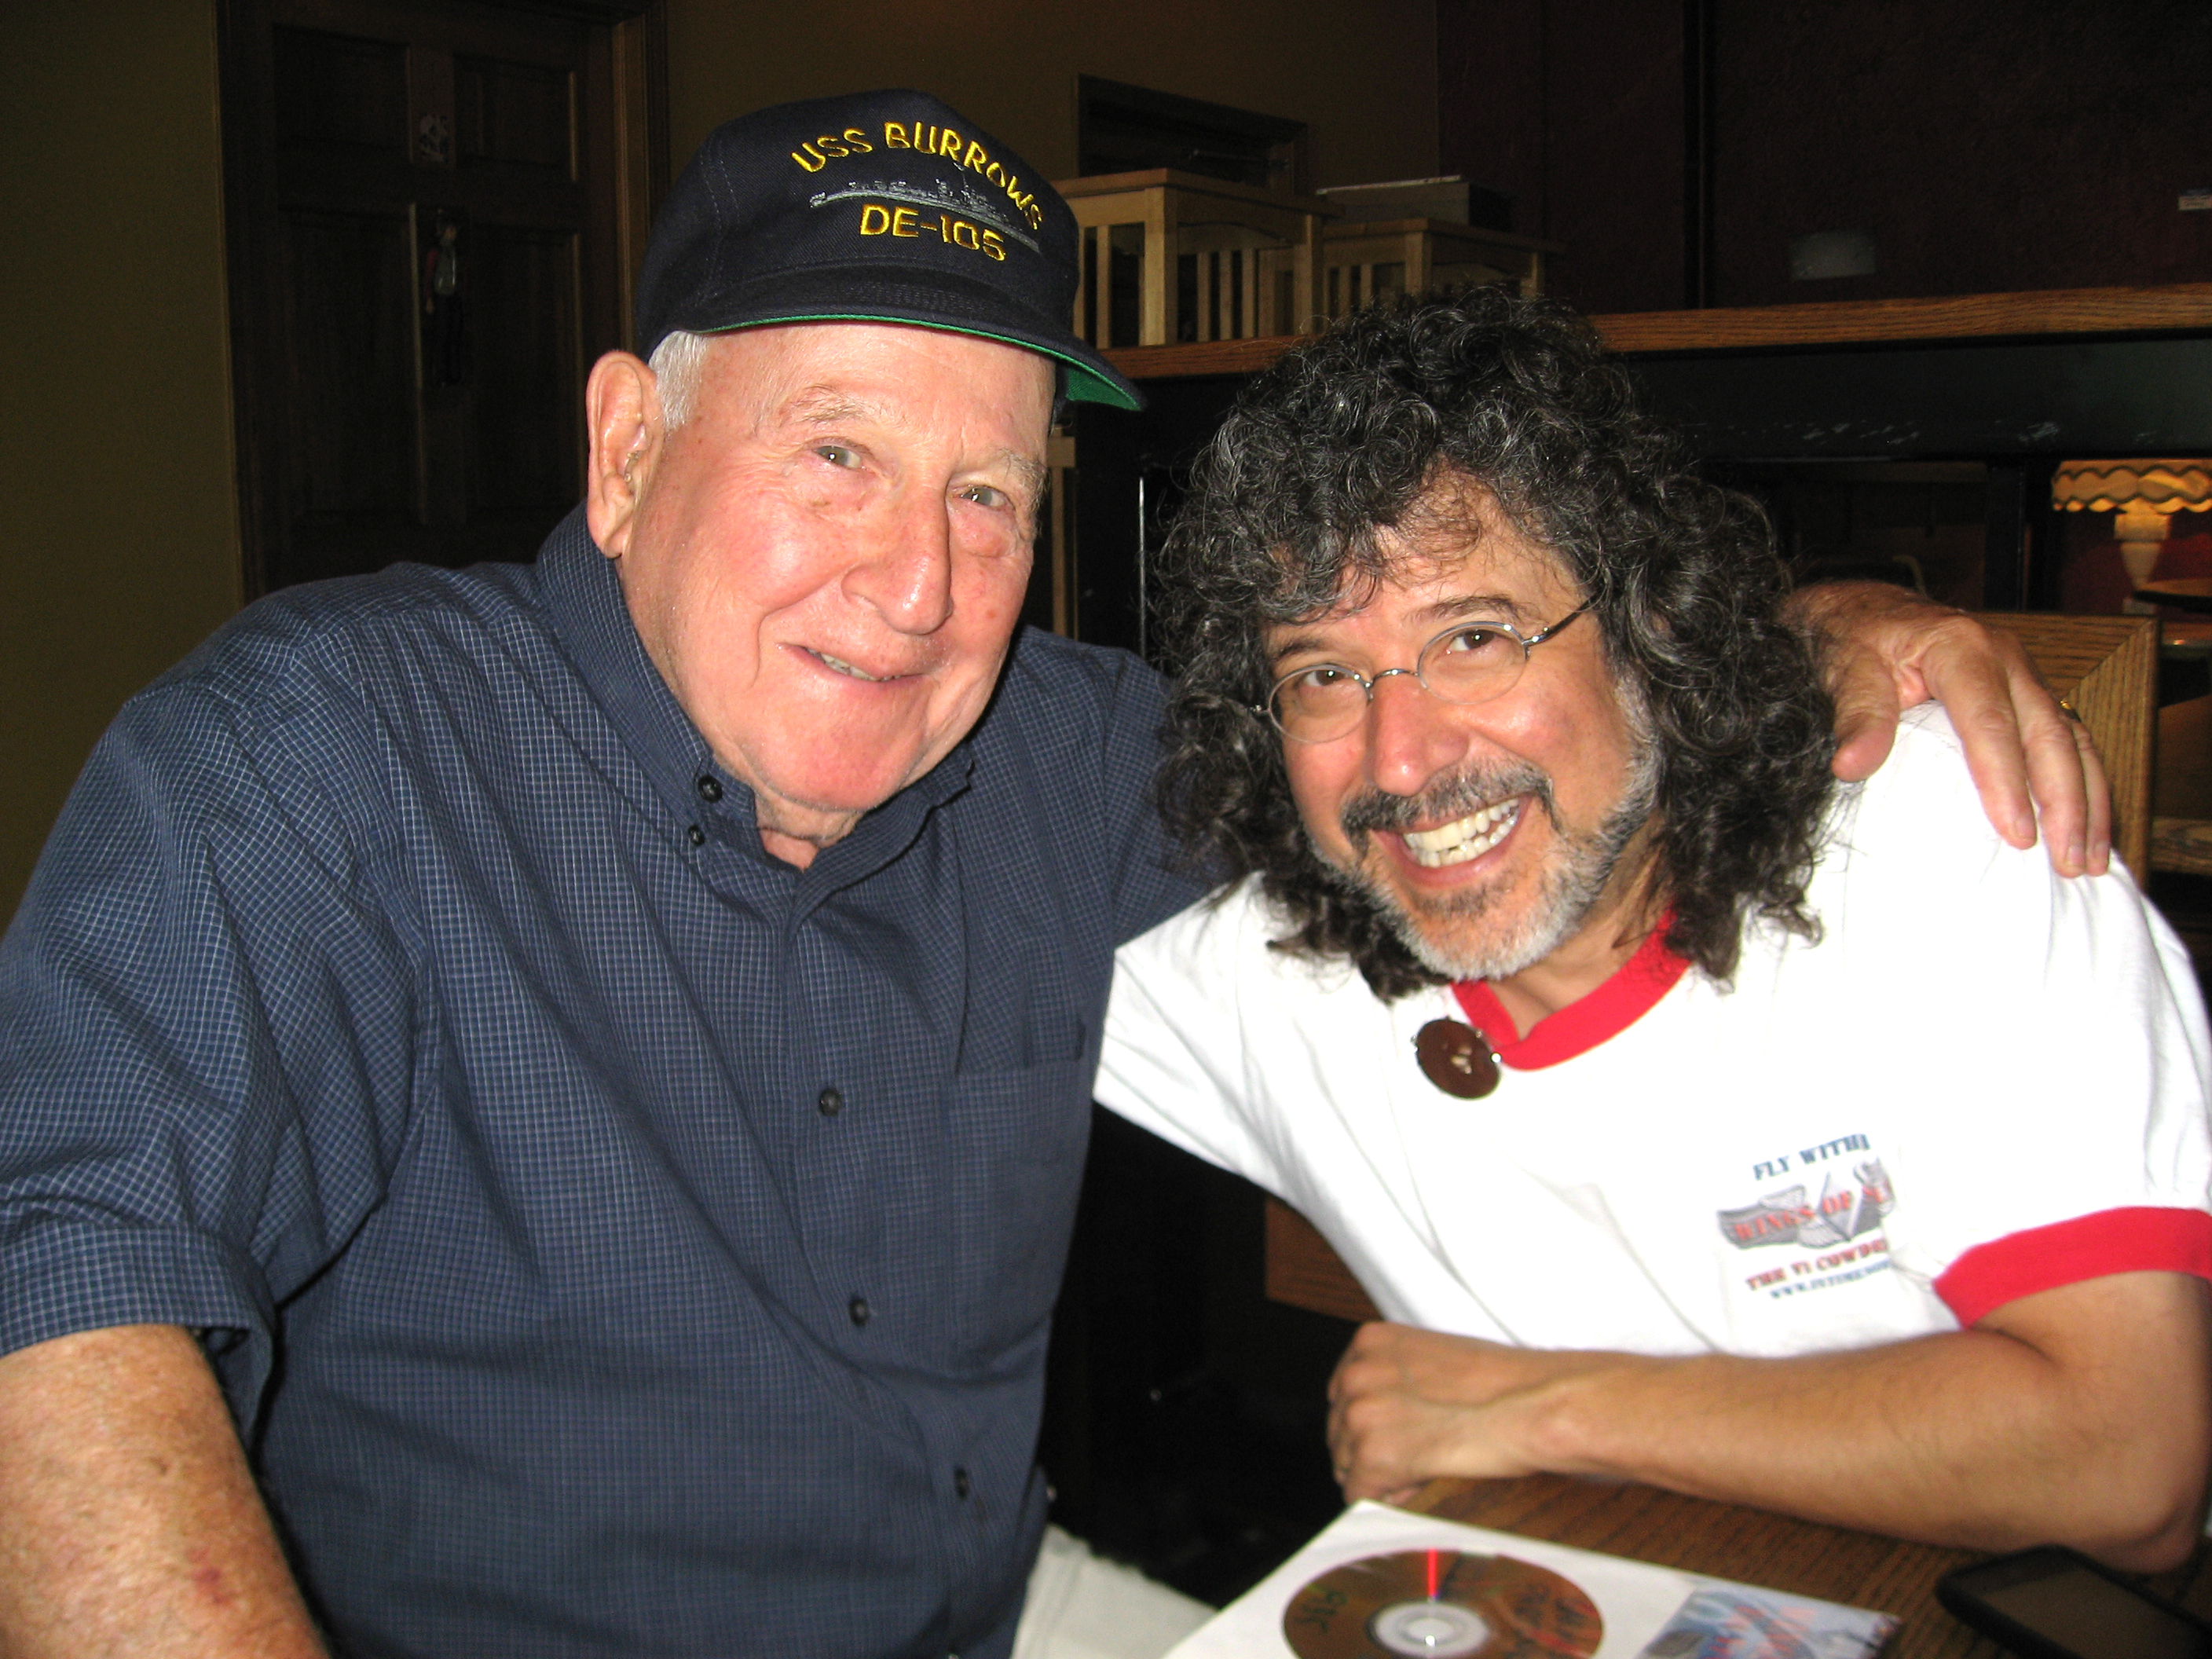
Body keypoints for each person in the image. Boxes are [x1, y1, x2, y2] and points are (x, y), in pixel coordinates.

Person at [0, 92, 2121, 1659]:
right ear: (633, 445)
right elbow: (58, 1283)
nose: (914, 583)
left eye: (990, 491)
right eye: (836, 450)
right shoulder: (322, 754)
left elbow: (1444, 743)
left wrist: (1802, 633)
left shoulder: (1073, 763)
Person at [1097, 287, 2212, 1573]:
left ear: (1650, 624)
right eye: (1322, 674)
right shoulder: (1268, 966)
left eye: (1475, 636)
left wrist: (1536, 1406)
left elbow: (2123, 1452)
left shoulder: (1932, 827)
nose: (1400, 760)